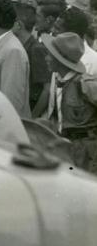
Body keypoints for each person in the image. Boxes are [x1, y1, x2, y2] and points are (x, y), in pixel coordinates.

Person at [43, 32, 97, 173]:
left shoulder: (85, 85)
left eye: (49, 55)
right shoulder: (59, 80)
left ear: (59, 60)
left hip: (86, 155)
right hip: (65, 150)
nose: (46, 58)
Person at [12, 2, 51, 115]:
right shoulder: (22, 47)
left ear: (18, 25)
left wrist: (32, 119)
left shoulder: (36, 49)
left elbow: (47, 90)